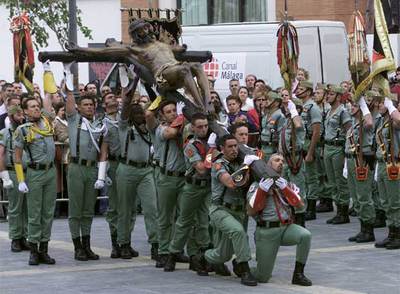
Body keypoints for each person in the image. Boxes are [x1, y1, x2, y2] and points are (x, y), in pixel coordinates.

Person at [195, 134, 258, 286]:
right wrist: (246, 166)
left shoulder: (240, 162)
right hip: (221, 210)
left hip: (239, 212)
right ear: (222, 149)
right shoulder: (219, 164)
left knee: (223, 255)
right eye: (230, 147)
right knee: (238, 232)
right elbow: (230, 183)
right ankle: (244, 269)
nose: (234, 149)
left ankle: (202, 258)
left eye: (235, 146)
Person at [247, 153, 312, 286]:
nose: (281, 163)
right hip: (267, 232)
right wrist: (262, 190)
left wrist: (285, 189)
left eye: (282, 161)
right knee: (263, 277)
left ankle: (298, 274)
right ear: (268, 165)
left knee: (305, 235)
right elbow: (251, 210)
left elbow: (299, 205)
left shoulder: (286, 184)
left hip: (286, 228)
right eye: (277, 160)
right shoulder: (257, 185)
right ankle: (244, 269)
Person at [64, 62, 106, 261]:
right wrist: (69, 77)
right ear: (80, 108)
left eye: (91, 105)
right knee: (76, 209)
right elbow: (70, 103)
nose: (89, 107)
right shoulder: (74, 120)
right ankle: (77, 247)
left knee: (89, 209)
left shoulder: (99, 124)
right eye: (86, 105)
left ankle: (87, 245)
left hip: (91, 169)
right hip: (76, 167)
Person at [164, 113, 213, 272]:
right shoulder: (190, 145)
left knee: (203, 222)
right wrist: (213, 152)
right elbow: (200, 169)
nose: (203, 129)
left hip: (207, 188)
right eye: (200, 126)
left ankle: (201, 255)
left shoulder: (211, 142)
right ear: (192, 127)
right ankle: (172, 253)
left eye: (205, 126)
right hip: (192, 187)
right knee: (184, 222)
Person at [13, 93, 57, 266]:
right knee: (34, 213)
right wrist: (21, 180)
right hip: (35, 174)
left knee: (48, 212)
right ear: (25, 111)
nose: (37, 108)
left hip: (51, 172)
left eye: (37, 106)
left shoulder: (46, 123)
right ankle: (33, 250)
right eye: (32, 106)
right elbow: (17, 157)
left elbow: (48, 100)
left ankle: (43, 250)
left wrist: (47, 71)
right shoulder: (22, 130)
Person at [153, 100, 189, 267]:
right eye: (169, 111)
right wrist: (182, 116)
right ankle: (163, 251)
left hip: (184, 178)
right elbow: (170, 133)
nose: (173, 113)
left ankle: (177, 250)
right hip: (167, 178)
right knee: (165, 217)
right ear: (162, 115)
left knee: (183, 217)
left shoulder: (185, 127)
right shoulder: (162, 128)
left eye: (175, 110)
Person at [96, 90, 124, 258]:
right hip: (113, 164)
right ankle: (115, 243)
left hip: (128, 163)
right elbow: (103, 149)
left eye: (114, 96)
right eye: (109, 98)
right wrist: (101, 174)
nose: (113, 99)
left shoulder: (125, 118)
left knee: (128, 207)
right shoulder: (102, 123)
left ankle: (125, 241)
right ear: (104, 104)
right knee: (114, 206)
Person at [344, 97, 376, 242]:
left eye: (355, 105)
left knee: (364, 196)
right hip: (351, 160)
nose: (351, 107)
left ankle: (369, 230)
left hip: (361, 161)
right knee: (356, 197)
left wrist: (363, 105)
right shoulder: (354, 124)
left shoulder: (365, 122)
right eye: (351, 105)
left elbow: (370, 122)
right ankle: (362, 228)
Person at [0, 105, 29, 252]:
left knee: (26, 208)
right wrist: (5, 176)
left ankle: (24, 236)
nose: (21, 117)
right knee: (15, 208)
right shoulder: (4, 133)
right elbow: (0, 154)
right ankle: (15, 238)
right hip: (13, 172)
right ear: (11, 117)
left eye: (22, 114)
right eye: (18, 115)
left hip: (27, 172)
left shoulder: (27, 130)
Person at [374, 94, 400, 250]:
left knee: (395, 202)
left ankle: (398, 234)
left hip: (394, 164)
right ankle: (392, 232)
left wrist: (391, 106)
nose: (378, 105)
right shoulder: (382, 121)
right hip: (383, 164)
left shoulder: (394, 120)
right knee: (385, 202)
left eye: (382, 103)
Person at [323, 84, 352, 224]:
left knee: (340, 180)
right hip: (328, 146)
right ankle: (338, 210)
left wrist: (347, 149)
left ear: (339, 96)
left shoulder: (342, 111)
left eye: (331, 94)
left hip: (337, 148)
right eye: (327, 93)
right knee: (332, 181)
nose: (328, 96)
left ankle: (344, 212)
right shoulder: (329, 111)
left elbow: (349, 130)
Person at [296, 81, 322, 221]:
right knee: (305, 177)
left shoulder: (313, 107)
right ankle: (306, 205)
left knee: (311, 178)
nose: (298, 91)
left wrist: (311, 152)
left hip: (309, 145)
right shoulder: (303, 107)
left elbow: (316, 131)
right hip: (302, 144)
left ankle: (311, 208)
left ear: (307, 91)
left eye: (301, 89)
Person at [279, 98, 307, 227]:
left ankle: (300, 221)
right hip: (285, 159)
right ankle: (291, 217)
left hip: (295, 160)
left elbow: (298, 126)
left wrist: (294, 110)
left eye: (288, 107)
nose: (286, 108)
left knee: (297, 190)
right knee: (285, 190)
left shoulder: (298, 120)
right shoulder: (286, 122)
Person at [313, 83, 334, 213]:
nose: (316, 95)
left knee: (326, 173)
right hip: (318, 144)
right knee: (319, 173)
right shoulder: (315, 108)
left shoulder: (327, 109)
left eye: (318, 93)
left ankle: (328, 199)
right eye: (315, 93)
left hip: (325, 144)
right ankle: (322, 197)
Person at [260, 91, 285, 159]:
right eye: (266, 99)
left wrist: (280, 152)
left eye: (269, 99)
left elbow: (282, 135)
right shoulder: (266, 115)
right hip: (263, 149)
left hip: (272, 150)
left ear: (276, 103)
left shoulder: (280, 116)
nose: (266, 101)